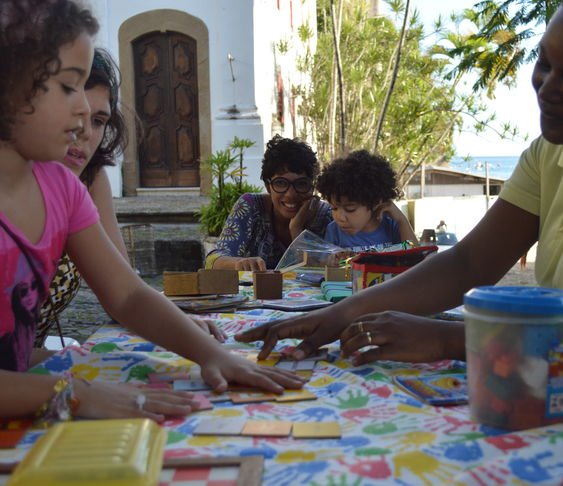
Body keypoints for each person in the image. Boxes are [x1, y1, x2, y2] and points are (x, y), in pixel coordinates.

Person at [237, 0, 563, 427]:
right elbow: (469, 262)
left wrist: (447, 339)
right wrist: (339, 314)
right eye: (545, 64)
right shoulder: (555, 151)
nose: (546, 88)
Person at [0, 0, 303, 421]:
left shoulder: (63, 190)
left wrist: (213, 354)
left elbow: (127, 295)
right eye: (69, 86)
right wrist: (74, 394)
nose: (84, 111)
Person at [35, 48, 225, 348]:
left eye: (98, 120)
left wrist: (204, 347)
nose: (84, 132)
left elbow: (125, 293)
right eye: (71, 112)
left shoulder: (87, 180)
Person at [205, 135, 332, 271]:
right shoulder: (250, 207)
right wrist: (238, 263)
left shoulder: (328, 217)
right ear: (267, 186)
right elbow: (212, 261)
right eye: (281, 183)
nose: (290, 194)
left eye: (301, 184)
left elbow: (334, 269)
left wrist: (297, 231)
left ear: (312, 187)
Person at [317, 150, 417, 251]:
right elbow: (326, 260)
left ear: (375, 202)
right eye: (334, 208)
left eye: (350, 208)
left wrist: (401, 220)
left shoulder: (392, 226)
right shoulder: (334, 231)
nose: (340, 218)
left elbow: (415, 254)